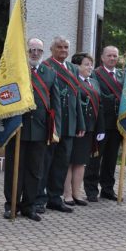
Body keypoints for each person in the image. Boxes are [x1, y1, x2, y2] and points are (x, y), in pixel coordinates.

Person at [3, 38, 61, 221]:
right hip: (17, 129)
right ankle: (11, 204)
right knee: (15, 170)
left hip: (40, 130)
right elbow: (5, 98)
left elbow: (56, 104)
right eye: (31, 50)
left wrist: (55, 129)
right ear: (25, 51)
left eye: (39, 50)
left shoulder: (49, 73)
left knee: (35, 171)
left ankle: (29, 206)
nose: (35, 53)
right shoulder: (15, 71)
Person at [37, 35, 85, 213]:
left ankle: (55, 198)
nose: (63, 50)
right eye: (59, 47)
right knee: (46, 162)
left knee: (62, 163)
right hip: (53, 123)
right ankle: (39, 199)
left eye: (66, 47)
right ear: (52, 49)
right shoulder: (46, 66)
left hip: (70, 123)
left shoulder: (73, 67)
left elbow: (77, 96)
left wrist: (80, 122)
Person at [64, 53, 104, 206]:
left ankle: (77, 193)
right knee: (69, 161)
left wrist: (100, 129)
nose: (90, 67)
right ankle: (66, 194)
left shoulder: (94, 82)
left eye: (91, 64)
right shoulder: (72, 81)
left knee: (81, 162)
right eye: (86, 64)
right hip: (74, 128)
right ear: (76, 66)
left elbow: (99, 106)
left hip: (89, 129)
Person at [84, 46, 123, 201]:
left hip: (117, 124)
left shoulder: (122, 75)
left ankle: (107, 189)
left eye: (115, 56)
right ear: (102, 57)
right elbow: (99, 95)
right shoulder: (95, 74)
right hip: (100, 123)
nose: (112, 58)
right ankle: (91, 190)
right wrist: (119, 99)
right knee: (95, 158)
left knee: (111, 159)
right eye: (109, 55)